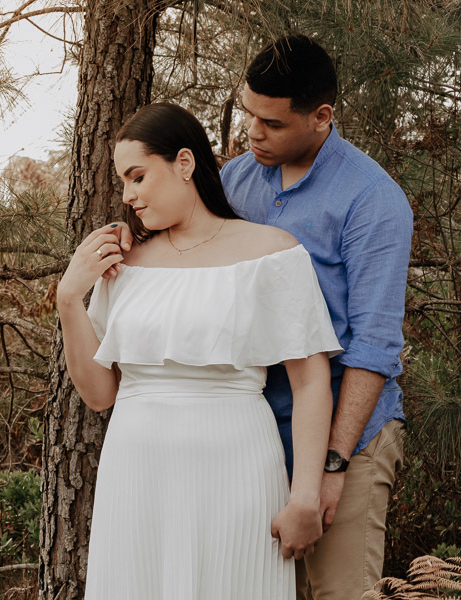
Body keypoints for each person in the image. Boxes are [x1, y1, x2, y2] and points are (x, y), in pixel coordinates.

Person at [105, 36, 413, 600]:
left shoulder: (373, 200)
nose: (252, 132)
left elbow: (372, 346)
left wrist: (332, 467)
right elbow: (197, 253)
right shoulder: (239, 179)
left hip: (348, 434)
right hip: (251, 439)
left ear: (321, 117)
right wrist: (129, 244)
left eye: (271, 123)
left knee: (341, 593)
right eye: (248, 113)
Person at [57, 102, 342, 599]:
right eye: (124, 182)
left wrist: (304, 496)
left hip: (236, 467)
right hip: (135, 471)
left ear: (184, 164)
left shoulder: (271, 252)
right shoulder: (123, 266)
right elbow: (101, 394)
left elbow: (311, 380)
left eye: (138, 176)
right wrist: (68, 300)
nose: (128, 196)